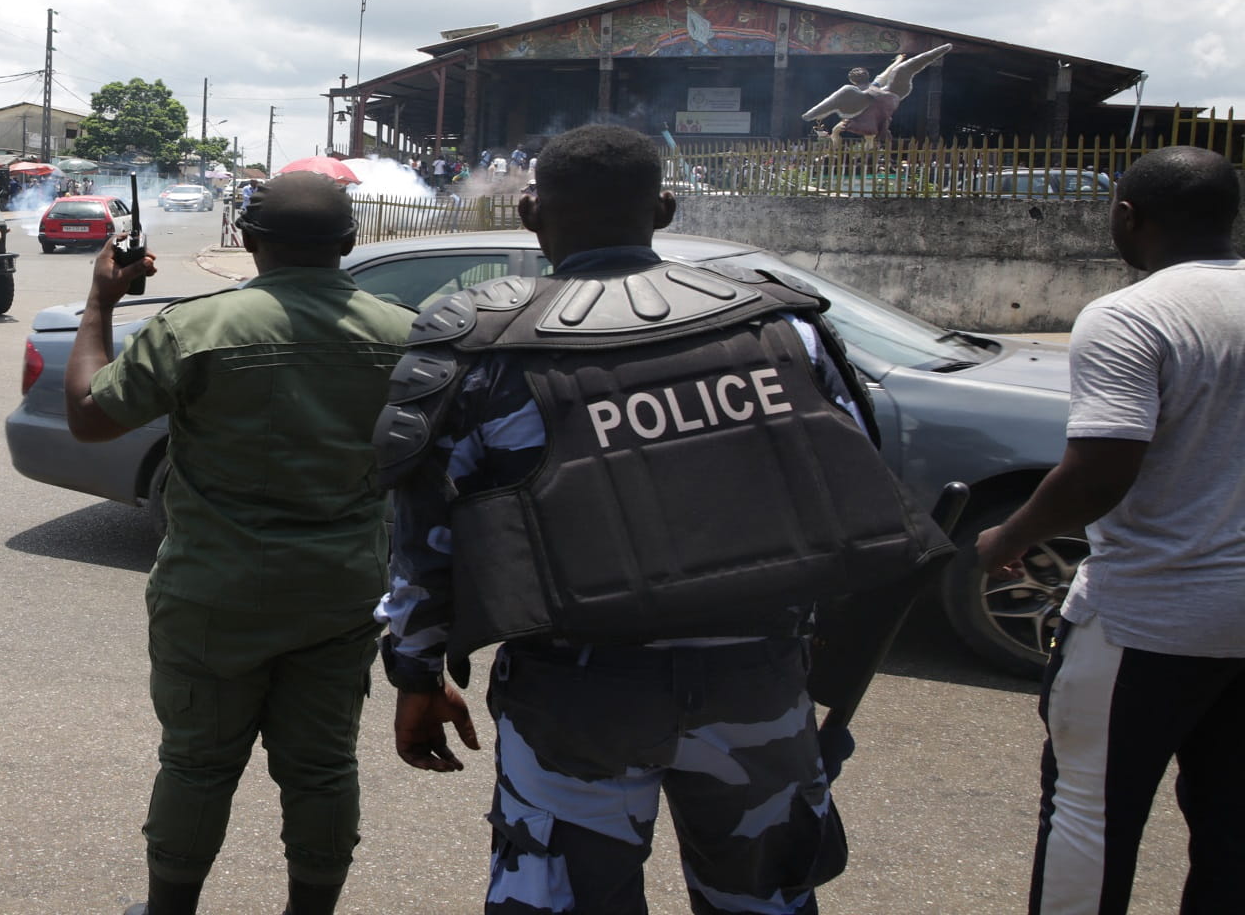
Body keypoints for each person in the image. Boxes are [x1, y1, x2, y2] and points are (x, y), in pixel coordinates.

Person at [376, 123, 940, 914]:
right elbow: (854, 492)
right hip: (760, 680)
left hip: (576, 694)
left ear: (532, 213)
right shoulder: (783, 327)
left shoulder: (487, 349)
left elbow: (427, 537)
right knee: (764, 900)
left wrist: (416, 673)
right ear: (665, 209)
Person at [64, 172, 415, 915]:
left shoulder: (194, 329)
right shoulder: (405, 334)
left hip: (212, 591)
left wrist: (100, 301)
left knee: (196, 766)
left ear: (249, 241)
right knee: (323, 769)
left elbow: (90, 417)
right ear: (351, 242)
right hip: (340, 591)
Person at [977, 146, 1245, 915]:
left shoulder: (1132, 315)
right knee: (1232, 825)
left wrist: (1008, 537)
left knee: (1091, 817)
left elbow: (1098, 475)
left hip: (1149, 618)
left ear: (1128, 217)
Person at [801, 44, 953, 147]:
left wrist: (814, 115)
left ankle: (838, 148)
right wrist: (899, 60)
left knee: (836, 130)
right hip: (879, 115)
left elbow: (830, 103)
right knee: (868, 136)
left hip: (866, 119)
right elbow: (887, 73)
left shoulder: (853, 90)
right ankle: (867, 150)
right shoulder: (875, 85)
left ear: (853, 81)